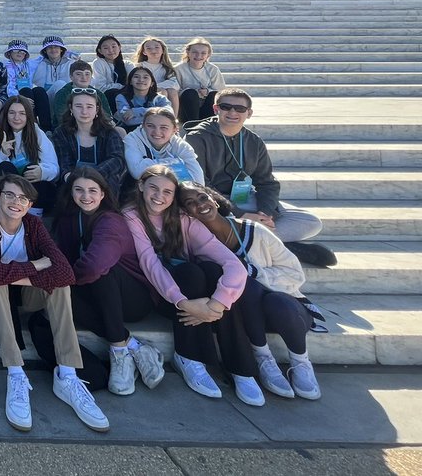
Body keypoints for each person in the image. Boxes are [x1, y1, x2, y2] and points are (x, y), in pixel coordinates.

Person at [0, 172, 110, 432]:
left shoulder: (34, 226)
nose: (16, 202)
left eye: (23, 198)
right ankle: (16, 373)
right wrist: (35, 265)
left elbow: (65, 273)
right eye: (9, 194)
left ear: (30, 205)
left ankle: (67, 374)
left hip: (24, 295)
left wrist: (12, 273)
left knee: (60, 286)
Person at [124, 165, 263, 406]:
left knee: (212, 270)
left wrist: (217, 304)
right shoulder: (131, 216)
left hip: (197, 300)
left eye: (167, 192)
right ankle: (189, 357)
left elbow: (233, 264)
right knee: (190, 272)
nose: (160, 196)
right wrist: (184, 302)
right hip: (159, 295)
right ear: (141, 186)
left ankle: (240, 367)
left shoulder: (184, 220)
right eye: (153, 188)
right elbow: (150, 264)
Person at [179, 185, 322, 400]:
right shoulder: (199, 245)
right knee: (244, 284)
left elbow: (294, 275)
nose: (200, 205)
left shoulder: (255, 231)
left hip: (283, 306)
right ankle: (264, 358)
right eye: (190, 203)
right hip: (245, 314)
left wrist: (253, 272)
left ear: (215, 200)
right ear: (185, 213)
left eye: (203, 197)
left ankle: (301, 362)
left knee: (269, 298)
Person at [51, 167, 165, 396]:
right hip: (94, 291)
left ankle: (119, 352)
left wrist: (67, 278)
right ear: (70, 192)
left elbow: (95, 265)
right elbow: (60, 257)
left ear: (103, 193)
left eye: (93, 190)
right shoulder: (67, 219)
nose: (86, 196)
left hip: (133, 297)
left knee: (104, 273)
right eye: (79, 190)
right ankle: (136, 348)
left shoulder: (111, 220)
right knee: (56, 295)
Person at [185, 90, 329, 260]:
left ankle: (251, 240)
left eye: (239, 109)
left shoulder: (254, 141)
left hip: (245, 198)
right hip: (214, 202)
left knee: (310, 222)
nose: (232, 112)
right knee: (201, 224)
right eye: (226, 107)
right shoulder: (196, 138)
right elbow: (200, 185)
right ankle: (268, 243)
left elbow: (267, 182)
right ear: (216, 109)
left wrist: (265, 214)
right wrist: (240, 214)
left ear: (249, 113)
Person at [0, 95, 59, 212]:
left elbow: (54, 167)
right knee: (5, 167)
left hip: (33, 186)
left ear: (28, 116)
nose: (17, 117)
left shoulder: (37, 134)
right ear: (6, 115)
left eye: (22, 113)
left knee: (31, 169)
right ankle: (10, 209)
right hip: (10, 188)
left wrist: (42, 172)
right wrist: (2, 154)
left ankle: (34, 214)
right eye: (12, 113)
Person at [49, 90, 127, 194]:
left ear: (97, 109)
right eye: (78, 106)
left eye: (89, 106)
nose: (84, 112)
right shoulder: (61, 133)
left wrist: (92, 177)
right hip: (73, 182)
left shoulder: (109, 132)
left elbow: (117, 159)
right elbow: (64, 164)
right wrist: (77, 181)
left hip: (103, 182)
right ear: (71, 108)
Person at [123, 107, 204, 187]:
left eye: (164, 127)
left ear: (174, 129)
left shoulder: (181, 145)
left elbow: (199, 182)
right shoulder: (132, 139)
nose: (157, 132)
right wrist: (176, 163)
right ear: (143, 126)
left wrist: (147, 164)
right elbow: (137, 172)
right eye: (150, 126)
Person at [176, 37, 227, 126]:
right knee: (190, 93)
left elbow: (221, 91)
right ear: (188, 53)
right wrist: (194, 92)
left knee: (214, 95)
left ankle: (208, 124)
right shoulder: (178, 69)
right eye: (194, 52)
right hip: (186, 110)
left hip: (206, 108)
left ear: (208, 55)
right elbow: (174, 91)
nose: (198, 56)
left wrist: (207, 91)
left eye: (203, 53)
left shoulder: (213, 69)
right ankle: (193, 125)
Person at [2, 39, 52, 130]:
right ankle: (30, 126)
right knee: (26, 90)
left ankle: (47, 128)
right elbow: (9, 86)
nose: (20, 53)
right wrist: (20, 98)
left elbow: (42, 57)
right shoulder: (5, 67)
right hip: (14, 97)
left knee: (39, 91)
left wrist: (68, 54)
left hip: (30, 95)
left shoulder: (29, 64)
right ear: (9, 53)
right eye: (16, 50)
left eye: (23, 51)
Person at [51, 59, 113, 124]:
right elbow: (62, 118)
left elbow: (107, 116)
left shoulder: (98, 94)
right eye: (78, 74)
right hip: (69, 128)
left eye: (87, 74)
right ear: (71, 77)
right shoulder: (63, 94)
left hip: (96, 127)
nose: (84, 77)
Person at [113, 65, 172, 132]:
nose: (141, 80)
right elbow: (128, 120)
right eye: (136, 77)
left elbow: (169, 112)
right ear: (130, 82)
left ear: (152, 83)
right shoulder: (121, 98)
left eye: (145, 77)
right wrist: (157, 117)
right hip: (129, 132)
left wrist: (136, 112)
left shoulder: (159, 98)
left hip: (155, 131)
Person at [133, 36, 180, 118]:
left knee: (172, 91)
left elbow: (175, 84)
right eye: (149, 48)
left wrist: (157, 86)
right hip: (143, 91)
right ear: (144, 52)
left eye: (157, 47)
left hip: (160, 89)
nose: (153, 50)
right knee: (163, 93)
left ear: (163, 50)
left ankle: (173, 119)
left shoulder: (166, 68)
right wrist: (153, 88)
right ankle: (158, 118)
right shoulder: (140, 66)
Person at [90, 34, 132, 111]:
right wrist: (121, 86)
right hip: (108, 98)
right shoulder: (98, 63)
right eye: (106, 48)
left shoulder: (128, 64)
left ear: (119, 48)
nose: (111, 50)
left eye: (114, 47)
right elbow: (101, 87)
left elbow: (133, 84)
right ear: (100, 51)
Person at [32, 35, 74, 104]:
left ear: (61, 49)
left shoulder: (71, 63)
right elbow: (37, 85)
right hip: (46, 99)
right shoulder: (39, 64)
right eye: (50, 48)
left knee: (61, 84)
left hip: (67, 98)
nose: (53, 50)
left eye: (56, 47)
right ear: (45, 50)